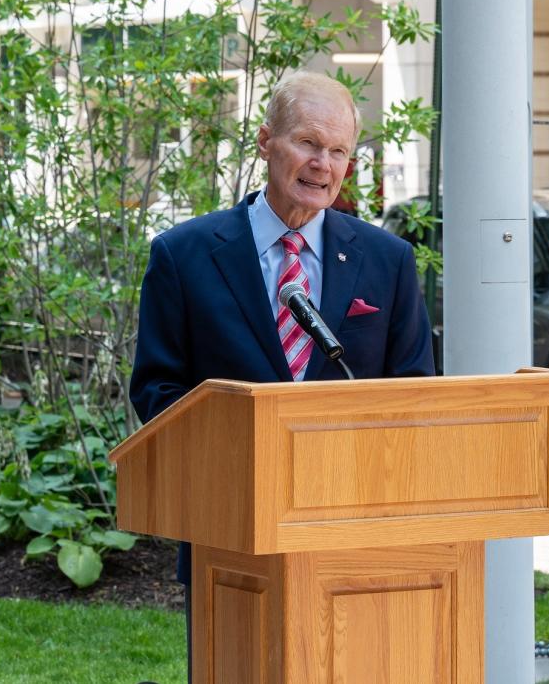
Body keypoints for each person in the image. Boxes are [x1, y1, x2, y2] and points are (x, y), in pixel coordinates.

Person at [128, 70, 434, 678]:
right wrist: (238, 456)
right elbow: (157, 390)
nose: (324, 164)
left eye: (339, 150)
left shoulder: (387, 260)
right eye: (308, 143)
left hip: (352, 528)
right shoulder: (184, 255)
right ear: (266, 141)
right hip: (231, 531)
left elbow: (413, 390)